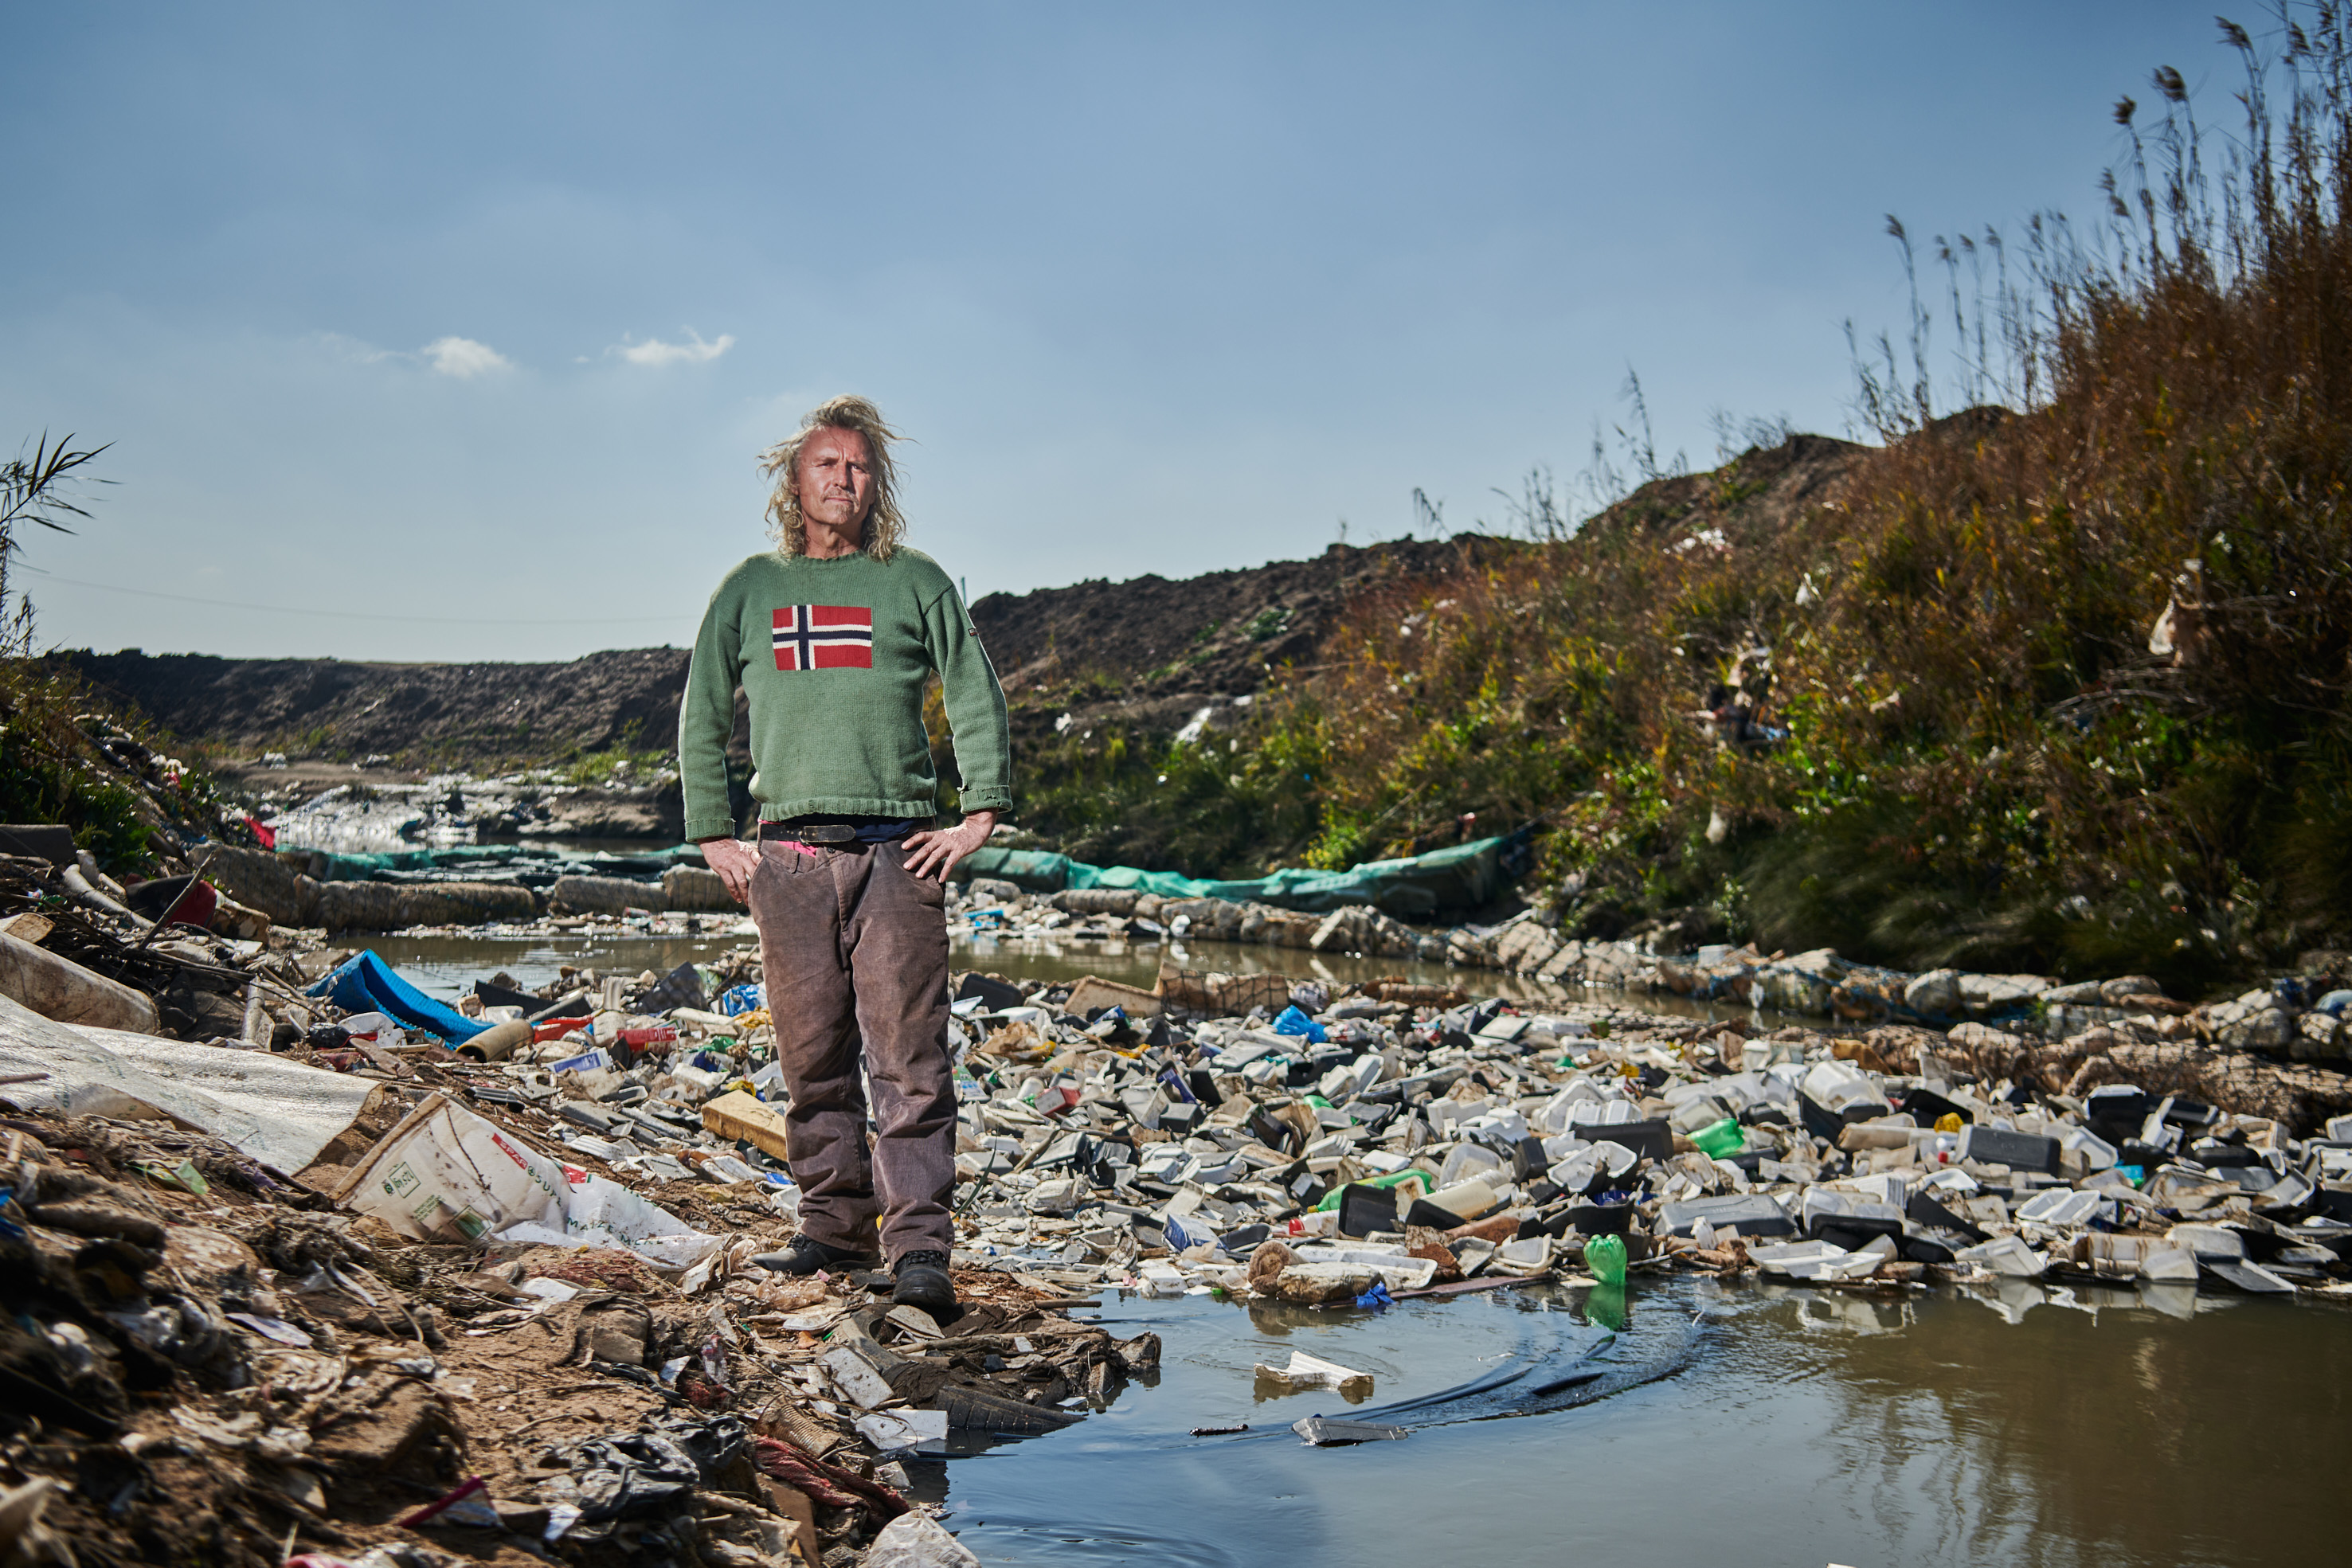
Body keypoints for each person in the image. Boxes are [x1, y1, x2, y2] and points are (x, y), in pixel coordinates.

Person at [677, 395, 1012, 1316]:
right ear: (795, 481)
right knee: (811, 1055)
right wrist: (713, 832)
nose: (843, 479)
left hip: (896, 854)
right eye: (825, 463)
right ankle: (831, 1229)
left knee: (909, 1060)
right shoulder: (750, 589)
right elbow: (702, 709)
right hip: (785, 858)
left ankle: (919, 1250)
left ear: (879, 483)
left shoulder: (914, 580)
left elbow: (974, 690)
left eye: (859, 466)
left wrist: (977, 813)